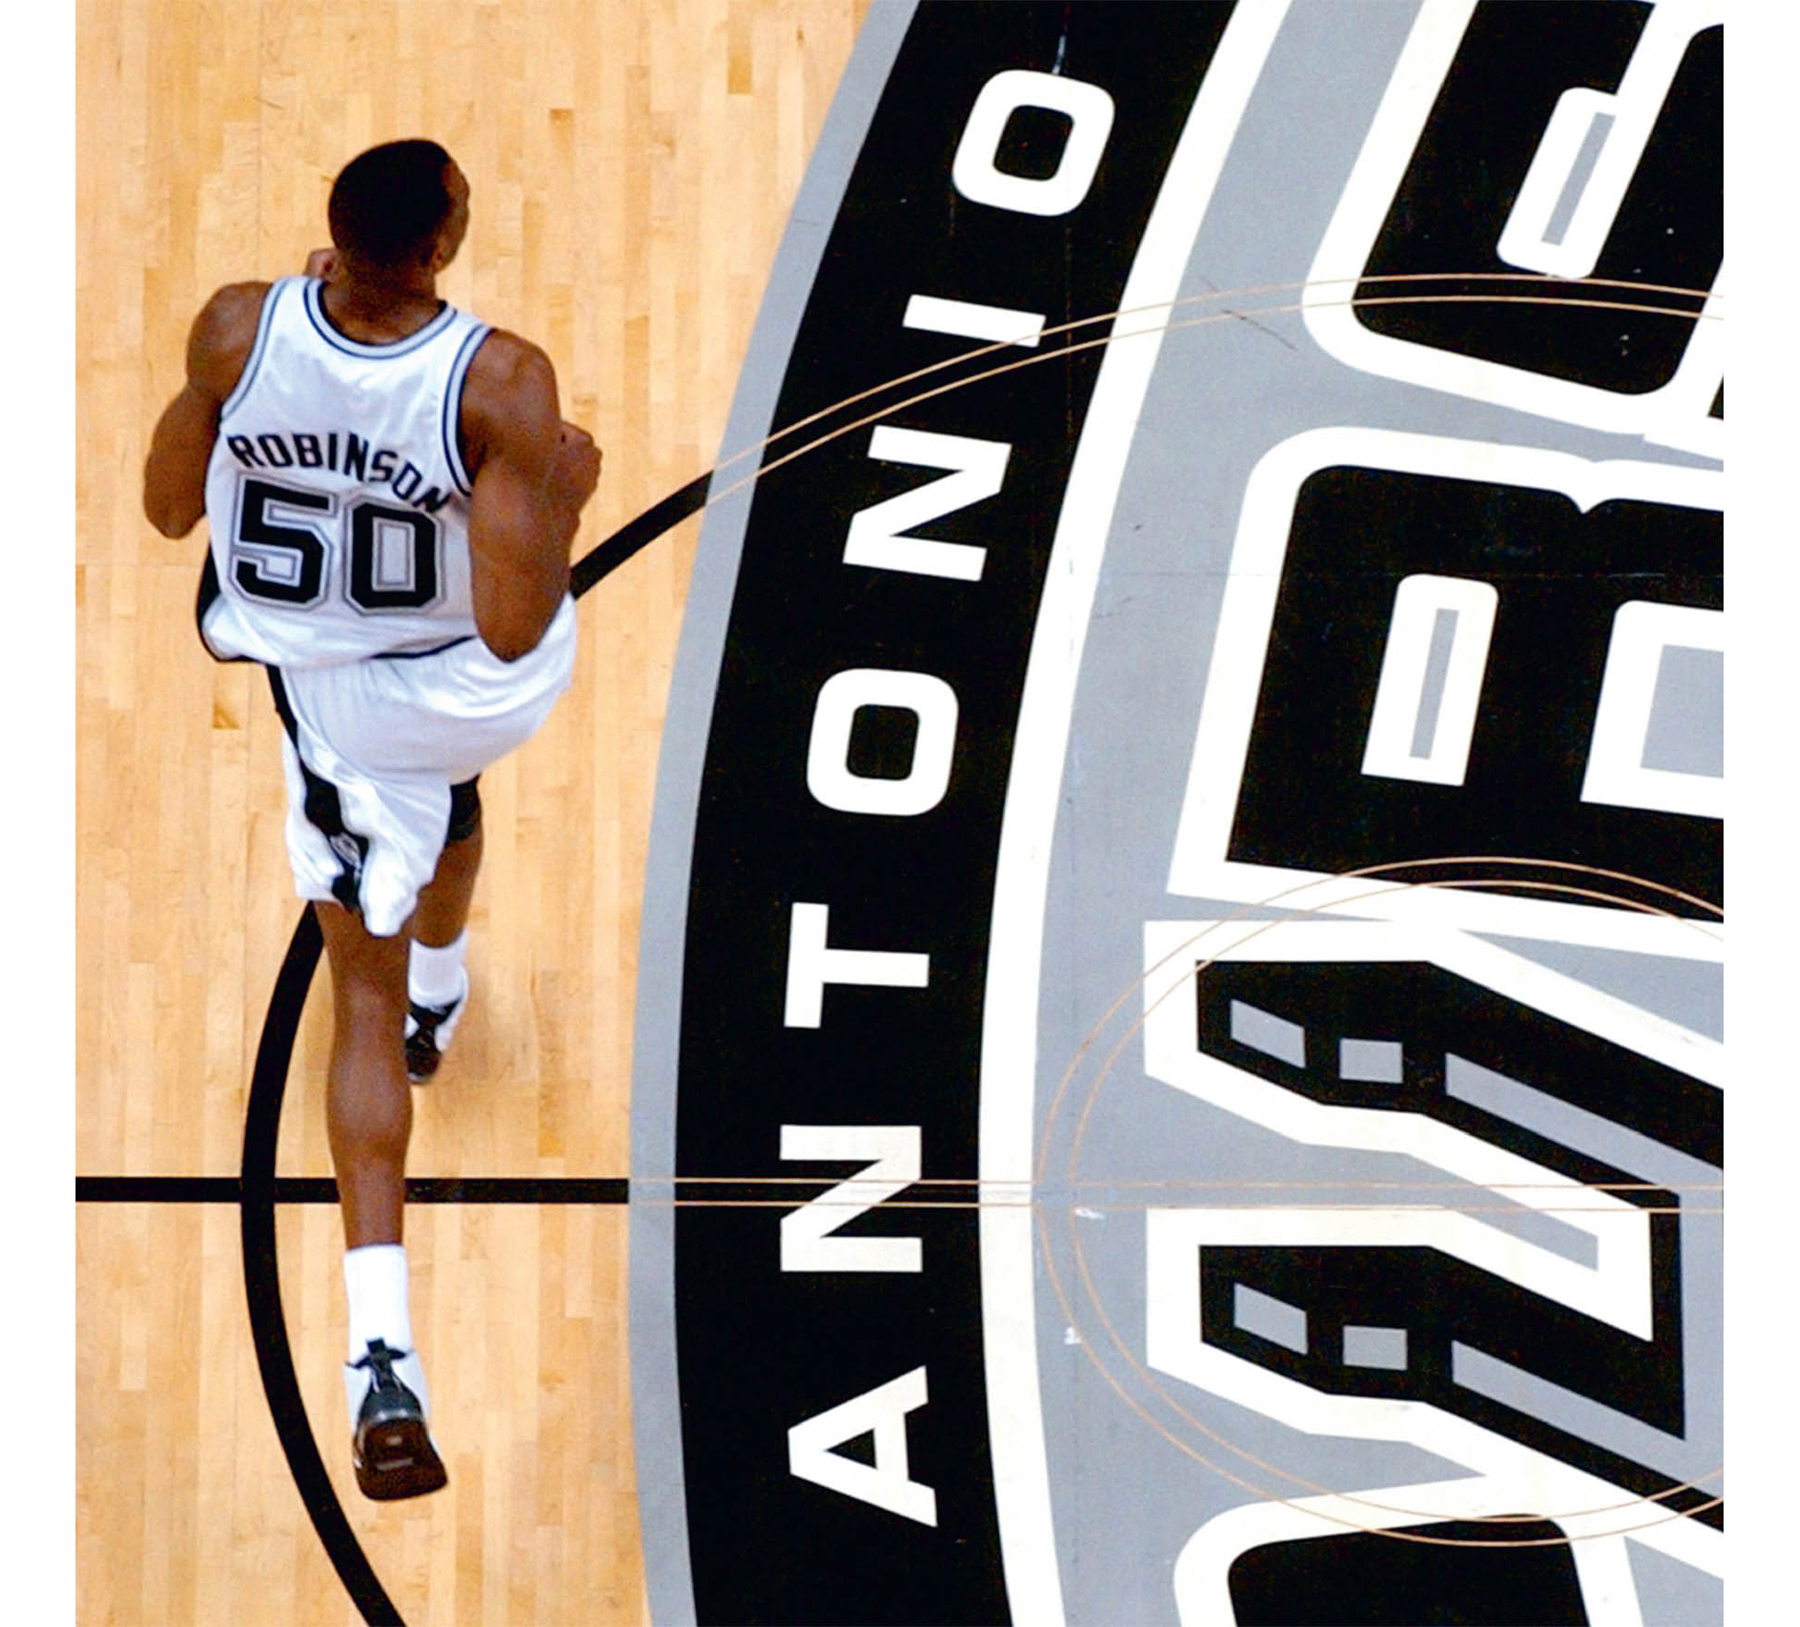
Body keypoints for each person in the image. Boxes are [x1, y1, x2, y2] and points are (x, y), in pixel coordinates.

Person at [142, 139, 601, 1500]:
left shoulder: (237, 325)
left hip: (338, 693)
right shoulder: (501, 379)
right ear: (447, 242)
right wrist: (563, 499)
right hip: (459, 693)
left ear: (332, 233)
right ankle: (436, 1010)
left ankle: (382, 1369)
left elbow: (171, 510)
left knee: (370, 948)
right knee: (436, 851)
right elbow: (517, 624)